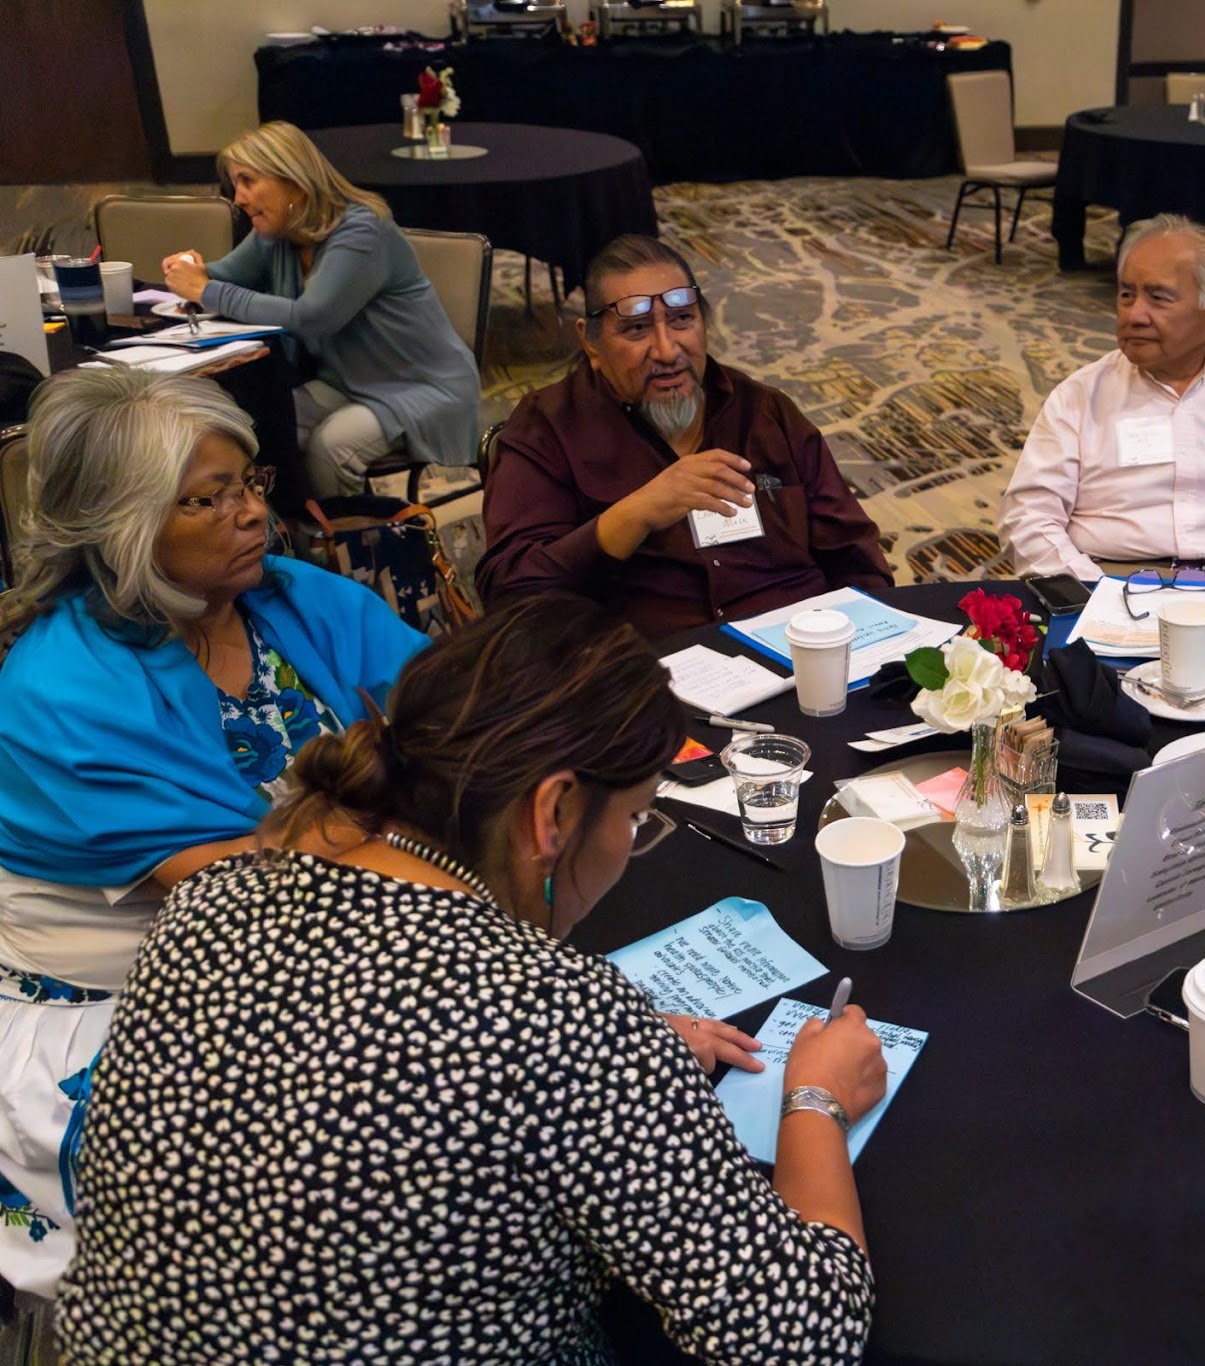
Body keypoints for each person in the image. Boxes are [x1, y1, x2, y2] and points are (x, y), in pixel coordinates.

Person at [58, 597, 887, 1363]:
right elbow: (801, 1333)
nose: (630, 851)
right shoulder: (558, 1015)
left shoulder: (207, 903)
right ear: (552, 813)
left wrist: (612, 1071)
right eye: (634, 819)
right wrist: (813, 1100)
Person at [0, 368, 425, 1302]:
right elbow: (251, 893)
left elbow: (451, 724)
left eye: (249, 484)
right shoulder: (59, 690)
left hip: (315, 939)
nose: (249, 516)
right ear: (121, 527)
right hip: (130, 1002)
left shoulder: (289, 599)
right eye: (207, 499)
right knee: (337, 1205)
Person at [477, 234, 891, 638]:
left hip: (801, 651)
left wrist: (867, 647)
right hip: (651, 680)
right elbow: (512, 595)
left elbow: (854, 552)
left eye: (681, 320)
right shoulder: (548, 427)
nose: (667, 349)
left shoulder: (763, 412)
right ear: (592, 341)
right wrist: (634, 514)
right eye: (637, 329)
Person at [999, 215, 1205, 602]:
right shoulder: (1079, 395)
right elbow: (1027, 517)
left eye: (1158, 298)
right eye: (1126, 294)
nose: (1135, 314)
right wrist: (1089, 595)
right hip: (1105, 583)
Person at [161, 121, 481, 499]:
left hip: (421, 385)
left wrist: (207, 289)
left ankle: (331, 545)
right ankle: (287, 529)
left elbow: (312, 317)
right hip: (349, 379)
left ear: (292, 180)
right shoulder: (279, 229)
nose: (239, 198)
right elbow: (230, 276)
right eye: (236, 186)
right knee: (257, 424)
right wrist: (192, 271)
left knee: (330, 447)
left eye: (248, 182)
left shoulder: (363, 230)